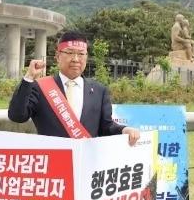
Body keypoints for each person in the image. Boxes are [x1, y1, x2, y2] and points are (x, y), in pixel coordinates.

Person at [8, 32, 140, 145]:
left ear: (86, 57)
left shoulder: (99, 91)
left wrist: (124, 130)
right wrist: (29, 78)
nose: (76, 59)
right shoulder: (41, 87)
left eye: (81, 54)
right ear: (58, 56)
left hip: (86, 165)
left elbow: (106, 127)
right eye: (70, 53)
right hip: (53, 163)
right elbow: (17, 116)